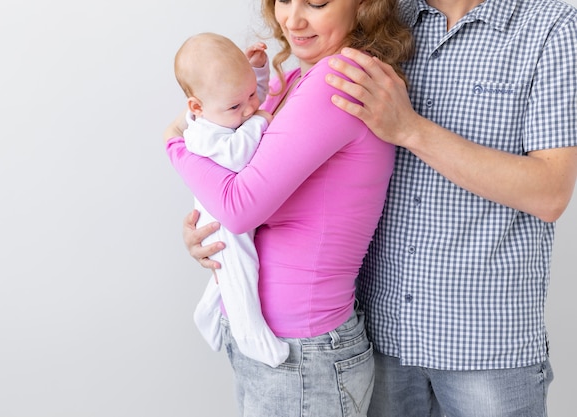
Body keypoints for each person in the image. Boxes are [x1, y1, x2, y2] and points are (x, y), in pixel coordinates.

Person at [185, 0, 577, 415]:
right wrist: (214, 230)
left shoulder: (549, 25)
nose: (294, 17)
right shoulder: (384, 18)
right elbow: (274, 179)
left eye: (315, 2)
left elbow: (550, 193)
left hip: (484, 343)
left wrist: (410, 129)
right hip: (379, 334)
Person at [165, 0, 413, 415]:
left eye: (316, 3)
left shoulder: (338, 79)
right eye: (283, 0)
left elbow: (239, 206)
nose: (292, 19)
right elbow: (228, 168)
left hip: (301, 353)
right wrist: (205, 232)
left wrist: (173, 145)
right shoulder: (298, 78)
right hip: (285, 351)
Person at [172, 31, 290, 368]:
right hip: (219, 219)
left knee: (228, 274)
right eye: (237, 105)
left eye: (251, 94)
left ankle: (207, 312)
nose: (251, 106)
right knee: (240, 270)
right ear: (197, 107)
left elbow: (254, 94)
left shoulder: (227, 107)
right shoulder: (202, 132)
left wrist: (259, 71)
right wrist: (260, 123)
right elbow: (237, 157)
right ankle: (249, 334)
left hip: (230, 209)